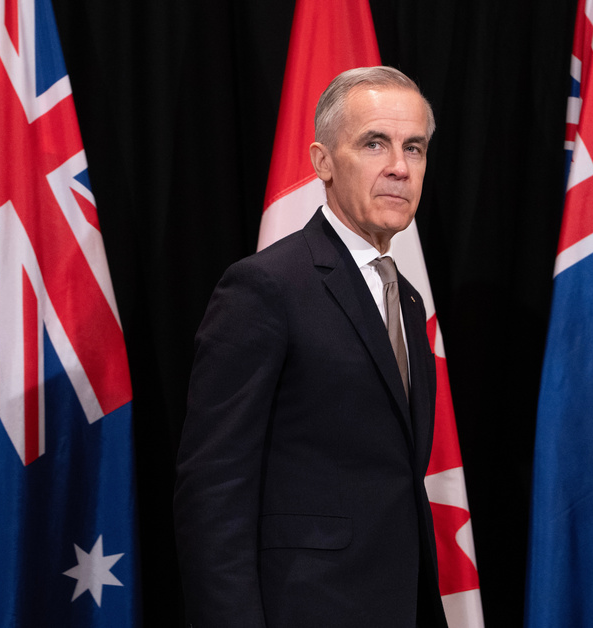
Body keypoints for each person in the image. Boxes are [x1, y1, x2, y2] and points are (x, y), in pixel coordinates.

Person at [174, 66, 448, 628]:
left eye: (414, 148)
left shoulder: (410, 301)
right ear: (322, 160)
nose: (399, 166)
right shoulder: (265, 287)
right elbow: (214, 490)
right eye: (375, 143)